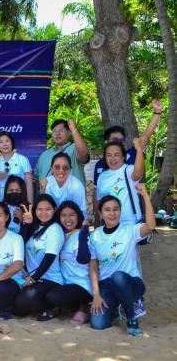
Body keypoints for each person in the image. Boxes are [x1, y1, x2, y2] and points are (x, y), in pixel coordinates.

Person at [89, 184, 156, 337]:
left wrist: (145, 196)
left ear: (120, 211)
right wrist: (96, 294)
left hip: (131, 283)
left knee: (118, 276)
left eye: (116, 209)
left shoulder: (130, 230)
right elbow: (93, 266)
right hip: (107, 285)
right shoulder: (96, 235)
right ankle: (116, 306)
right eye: (107, 210)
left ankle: (132, 318)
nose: (112, 213)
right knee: (98, 324)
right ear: (100, 213)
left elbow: (151, 226)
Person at [14, 195, 65, 321]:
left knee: (23, 301)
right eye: (40, 209)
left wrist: (33, 279)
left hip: (49, 279)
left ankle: (52, 307)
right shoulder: (36, 226)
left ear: (54, 209)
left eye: (48, 209)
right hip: (30, 278)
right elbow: (19, 243)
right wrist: (26, 224)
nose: (43, 213)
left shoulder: (55, 229)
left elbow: (49, 257)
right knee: (17, 308)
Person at [93, 100, 163, 185]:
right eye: (115, 139)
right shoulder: (99, 164)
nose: (118, 143)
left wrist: (157, 112)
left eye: (121, 140)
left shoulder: (131, 154)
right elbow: (97, 190)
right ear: (106, 142)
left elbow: (146, 136)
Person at [45, 201, 92, 325]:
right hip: (65, 282)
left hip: (82, 284)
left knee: (53, 296)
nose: (68, 219)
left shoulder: (80, 235)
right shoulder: (60, 234)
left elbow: (83, 258)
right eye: (63, 215)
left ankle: (84, 307)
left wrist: (82, 238)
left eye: (72, 215)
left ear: (78, 216)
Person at [96, 138, 144, 224]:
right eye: (109, 155)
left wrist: (139, 150)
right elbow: (100, 201)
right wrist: (101, 220)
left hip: (130, 223)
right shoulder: (101, 177)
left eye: (116, 155)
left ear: (123, 157)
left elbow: (137, 174)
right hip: (110, 224)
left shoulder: (128, 170)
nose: (112, 158)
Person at [34, 119, 90, 187]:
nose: (57, 134)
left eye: (61, 130)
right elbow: (36, 179)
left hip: (71, 194)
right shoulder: (44, 155)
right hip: (47, 194)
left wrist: (73, 129)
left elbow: (84, 155)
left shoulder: (74, 149)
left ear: (68, 132)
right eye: (54, 131)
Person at [0, 131, 33, 203]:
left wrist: (30, 203)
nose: (4, 144)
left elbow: (29, 184)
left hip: (19, 198)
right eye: (1, 142)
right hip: (0, 199)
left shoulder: (23, 159)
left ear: (12, 143)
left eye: (7, 141)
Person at [40, 152, 87, 219]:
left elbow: (81, 212)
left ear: (70, 170)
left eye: (65, 168)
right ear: (51, 169)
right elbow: (44, 209)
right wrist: (43, 190)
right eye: (57, 167)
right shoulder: (46, 183)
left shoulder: (76, 186)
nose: (61, 170)